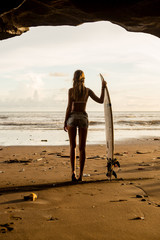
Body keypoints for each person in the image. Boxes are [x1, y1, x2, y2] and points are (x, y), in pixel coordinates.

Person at [64, 70, 106, 182]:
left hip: (72, 118)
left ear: (74, 78)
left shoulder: (71, 91)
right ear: (83, 79)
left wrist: (65, 122)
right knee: (82, 148)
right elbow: (101, 100)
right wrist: (103, 88)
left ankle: (73, 172)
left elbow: (69, 107)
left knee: (72, 147)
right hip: (83, 118)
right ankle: (81, 175)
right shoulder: (87, 91)